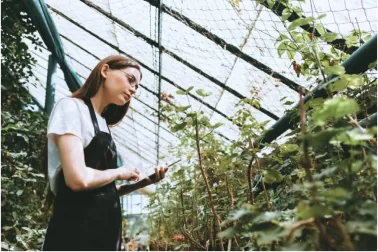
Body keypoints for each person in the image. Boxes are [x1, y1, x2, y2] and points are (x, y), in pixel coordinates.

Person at [42, 55, 168, 251]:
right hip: (76, 232)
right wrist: (119, 172)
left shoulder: (104, 125)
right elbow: (78, 180)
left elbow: (103, 192)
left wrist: (145, 182)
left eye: (137, 86)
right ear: (105, 70)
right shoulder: (71, 107)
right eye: (130, 79)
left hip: (104, 234)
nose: (134, 89)